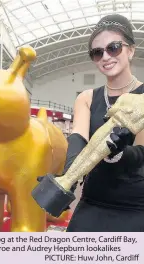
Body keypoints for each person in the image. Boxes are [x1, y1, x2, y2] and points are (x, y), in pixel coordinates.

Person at [35, 14, 144, 232]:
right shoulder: (86, 98)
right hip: (93, 199)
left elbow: (141, 154)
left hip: (135, 205)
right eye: (97, 52)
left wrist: (119, 152)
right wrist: (67, 180)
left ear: (131, 50)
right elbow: (78, 139)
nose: (105, 57)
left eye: (113, 48)